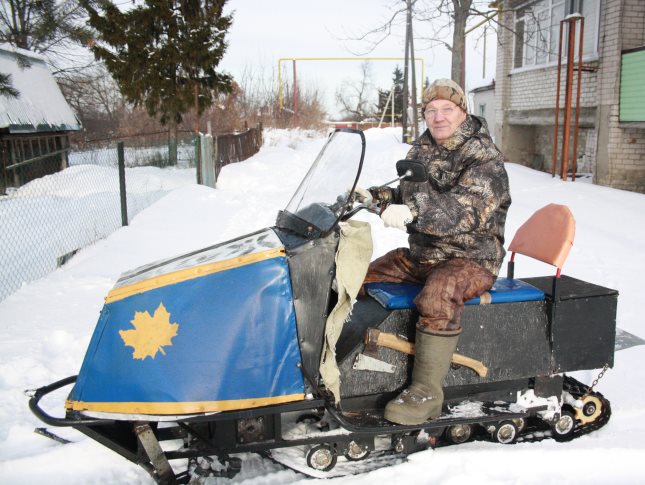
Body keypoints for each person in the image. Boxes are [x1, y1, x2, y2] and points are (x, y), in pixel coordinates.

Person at [356, 78, 511, 425]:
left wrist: (412, 214)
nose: (438, 117)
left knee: (439, 295)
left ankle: (426, 392)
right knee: (359, 277)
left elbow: (464, 212)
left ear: (462, 111)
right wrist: (374, 197)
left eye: (447, 109)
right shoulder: (421, 151)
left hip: (472, 257)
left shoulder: (484, 157)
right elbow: (407, 195)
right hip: (425, 253)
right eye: (431, 110)